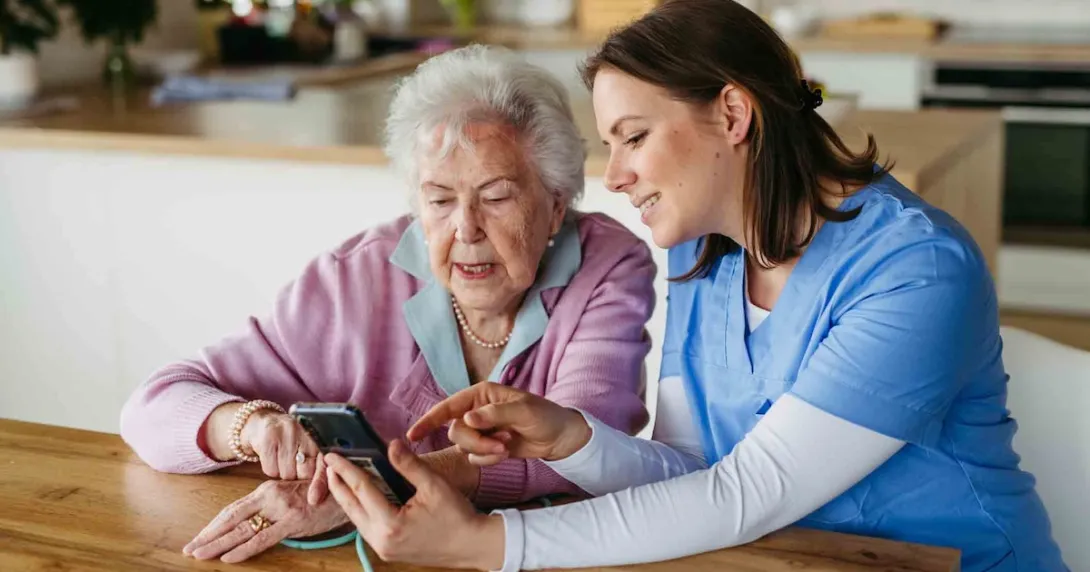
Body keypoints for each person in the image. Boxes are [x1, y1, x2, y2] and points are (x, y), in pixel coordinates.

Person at [318, 2, 1070, 571]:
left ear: (733, 114)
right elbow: (693, 474)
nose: (615, 176)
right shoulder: (707, 254)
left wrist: (490, 544)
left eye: (634, 137)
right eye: (610, 145)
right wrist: (572, 440)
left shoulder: (915, 270)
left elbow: (748, 492)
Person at [118, 45, 656, 564]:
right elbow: (154, 407)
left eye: (495, 197)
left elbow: (587, 447)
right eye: (439, 200)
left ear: (556, 204)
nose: (465, 229)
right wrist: (252, 427)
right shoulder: (354, 279)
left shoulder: (606, 265)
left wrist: (376, 485)